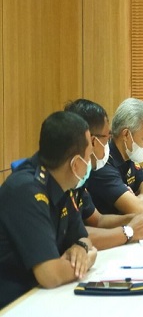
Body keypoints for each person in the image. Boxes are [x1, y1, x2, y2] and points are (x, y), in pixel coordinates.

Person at [0, 112, 97, 308]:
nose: (90, 163)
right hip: (13, 303)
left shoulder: (62, 185)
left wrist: (80, 248)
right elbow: (50, 274)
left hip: (41, 297)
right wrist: (87, 260)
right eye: (88, 157)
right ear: (75, 164)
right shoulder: (26, 190)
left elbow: (83, 238)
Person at [64, 99, 143, 249]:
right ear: (92, 141)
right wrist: (129, 231)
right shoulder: (55, 181)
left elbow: (98, 220)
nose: (108, 145)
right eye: (107, 138)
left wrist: (137, 219)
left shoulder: (78, 179)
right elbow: (73, 236)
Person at [85, 98, 143, 215]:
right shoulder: (102, 162)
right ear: (126, 134)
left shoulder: (129, 158)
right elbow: (139, 210)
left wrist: (139, 201)